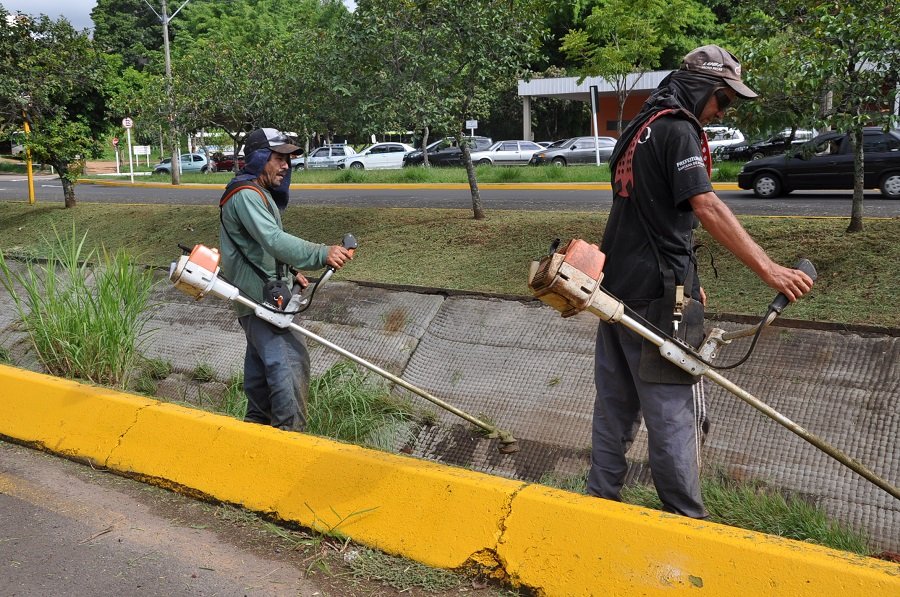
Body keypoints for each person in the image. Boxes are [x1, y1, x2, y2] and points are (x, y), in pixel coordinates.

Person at [589, 45, 814, 517]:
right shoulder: (677, 129)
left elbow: (649, 213)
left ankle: (598, 505)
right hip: (658, 298)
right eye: (722, 100)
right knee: (672, 411)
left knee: (615, 405)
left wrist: (688, 274)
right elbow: (705, 206)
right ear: (698, 87)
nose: (719, 112)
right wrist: (770, 270)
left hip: (612, 287)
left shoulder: (638, 128)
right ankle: (685, 522)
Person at [219, 127, 353, 432]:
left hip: (258, 299)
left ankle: (256, 440)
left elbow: (256, 247)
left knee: (260, 380)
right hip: (260, 301)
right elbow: (273, 240)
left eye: (288, 159)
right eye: (279, 157)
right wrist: (321, 253)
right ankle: (288, 440)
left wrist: (291, 272)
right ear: (259, 158)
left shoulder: (253, 193)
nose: (286, 166)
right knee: (289, 363)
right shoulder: (246, 195)